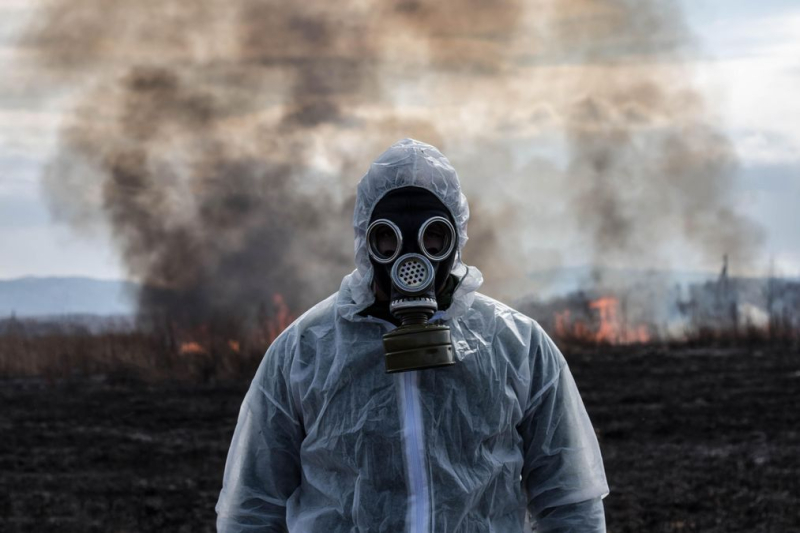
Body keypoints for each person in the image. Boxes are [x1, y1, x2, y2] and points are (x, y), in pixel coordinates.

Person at [216, 138, 609, 532]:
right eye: (387, 237)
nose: (411, 255)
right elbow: (252, 509)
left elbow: (570, 502)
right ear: (365, 241)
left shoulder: (516, 345)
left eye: (433, 235)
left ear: (456, 239)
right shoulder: (305, 350)